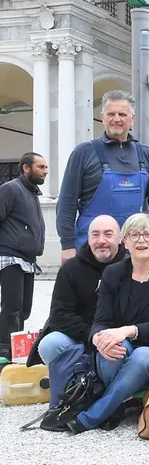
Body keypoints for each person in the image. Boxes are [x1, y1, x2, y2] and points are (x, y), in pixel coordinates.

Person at [64, 213, 149, 434]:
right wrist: (98, 338)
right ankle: (116, 405)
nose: (141, 240)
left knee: (141, 355)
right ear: (124, 242)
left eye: (148, 234)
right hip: (116, 346)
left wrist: (126, 331)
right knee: (115, 348)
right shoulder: (113, 272)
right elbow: (100, 321)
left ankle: (96, 413)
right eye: (134, 235)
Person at [56, 90, 149, 265]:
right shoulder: (84, 153)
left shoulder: (146, 154)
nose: (116, 118)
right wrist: (67, 245)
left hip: (134, 250)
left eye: (122, 114)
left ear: (132, 119)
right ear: (102, 117)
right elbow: (66, 203)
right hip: (94, 250)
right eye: (111, 114)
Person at [27, 215, 126, 370]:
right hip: (80, 335)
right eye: (95, 234)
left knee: (119, 348)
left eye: (108, 234)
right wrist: (93, 337)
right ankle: (69, 385)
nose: (101, 240)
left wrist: (110, 337)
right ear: (88, 238)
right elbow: (59, 316)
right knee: (49, 344)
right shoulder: (71, 269)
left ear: (120, 239)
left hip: (117, 337)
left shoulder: (132, 268)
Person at [0, 152, 47, 360]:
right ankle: (4, 350)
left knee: (24, 309)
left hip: (28, 260)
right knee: (12, 307)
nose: (45, 171)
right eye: (41, 167)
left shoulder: (32, 193)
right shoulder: (11, 189)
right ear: (26, 168)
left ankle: (13, 348)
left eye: (46, 167)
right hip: (10, 257)